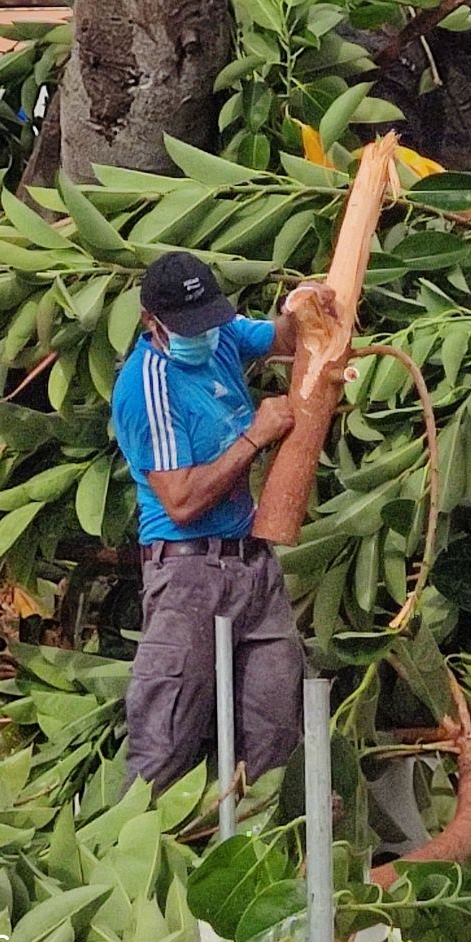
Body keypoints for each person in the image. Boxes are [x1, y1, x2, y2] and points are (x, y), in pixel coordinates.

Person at [113, 248, 331, 794]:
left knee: (275, 730)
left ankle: (264, 851)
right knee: (165, 738)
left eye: (208, 320)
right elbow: (182, 502)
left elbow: (282, 338)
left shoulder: (222, 331)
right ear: (151, 323)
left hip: (252, 564)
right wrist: (256, 436)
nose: (204, 335)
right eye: (188, 327)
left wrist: (304, 305)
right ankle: (136, 851)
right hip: (188, 576)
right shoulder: (147, 387)